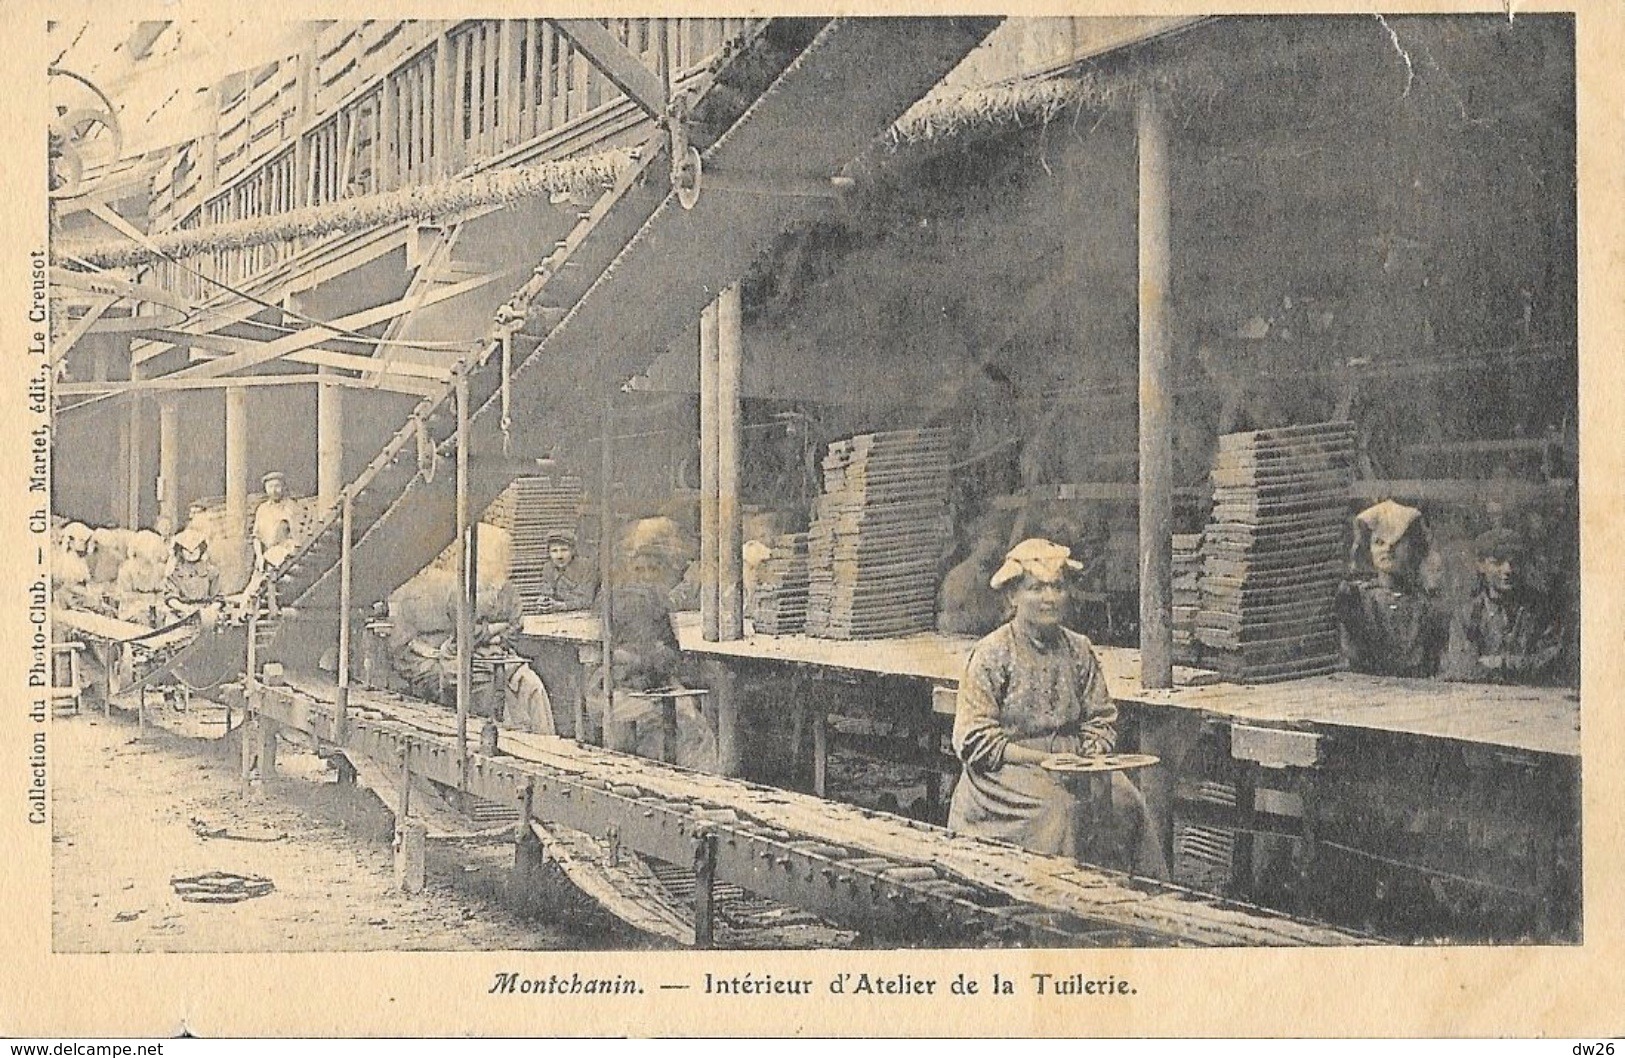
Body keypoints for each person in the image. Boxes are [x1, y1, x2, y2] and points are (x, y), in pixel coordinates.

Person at [948, 538, 1167, 876]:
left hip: (1074, 763)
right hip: (1007, 772)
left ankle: (1143, 904)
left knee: (1126, 801)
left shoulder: (1079, 649)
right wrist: (1043, 760)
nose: (1049, 598)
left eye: (1057, 587)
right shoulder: (992, 653)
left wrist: (1094, 749)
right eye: (1036, 588)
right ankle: (1059, 906)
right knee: (1061, 811)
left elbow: (1101, 716)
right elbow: (975, 740)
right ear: (1012, 596)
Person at [1335, 500, 1448, 677]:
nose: (1387, 549)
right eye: (1379, 542)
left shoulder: (1426, 606)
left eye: (1397, 543)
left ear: (1414, 548)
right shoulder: (1358, 600)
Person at [1441, 527, 1566, 684]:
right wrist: (1522, 666)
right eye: (1497, 562)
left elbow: (1552, 661)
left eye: (1515, 562)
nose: (1508, 569)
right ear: (1481, 565)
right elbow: (1462, 667)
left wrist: (1502, 663)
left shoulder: (1540, 611)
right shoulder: (1467, 615)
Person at [533, 530, 596, 613]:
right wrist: (544, 602)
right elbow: (547, 593)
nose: (559, 556)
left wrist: (562, 606)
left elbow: (588, 600)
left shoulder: (586, 567)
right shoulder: (548, 568)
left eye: (564, 550)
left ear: (573, 551)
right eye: (554, 551)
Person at [162, 529, 222, 613]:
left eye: (195, 549)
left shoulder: (211, 571)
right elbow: (170, 598)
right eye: (186, 549)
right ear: (180, 551)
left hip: (207, 612)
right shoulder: (174, 572)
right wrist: (183, 608)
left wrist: (210, 610)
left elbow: (218, 598)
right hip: (181, 612)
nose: (191, 552)